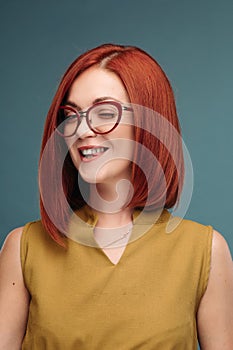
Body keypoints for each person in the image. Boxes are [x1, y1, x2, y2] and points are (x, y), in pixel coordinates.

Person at [0, 43, 233, 349]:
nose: (82, 129)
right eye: (71, 115)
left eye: (104, 112)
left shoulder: (205, 251)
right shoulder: (23, 248)